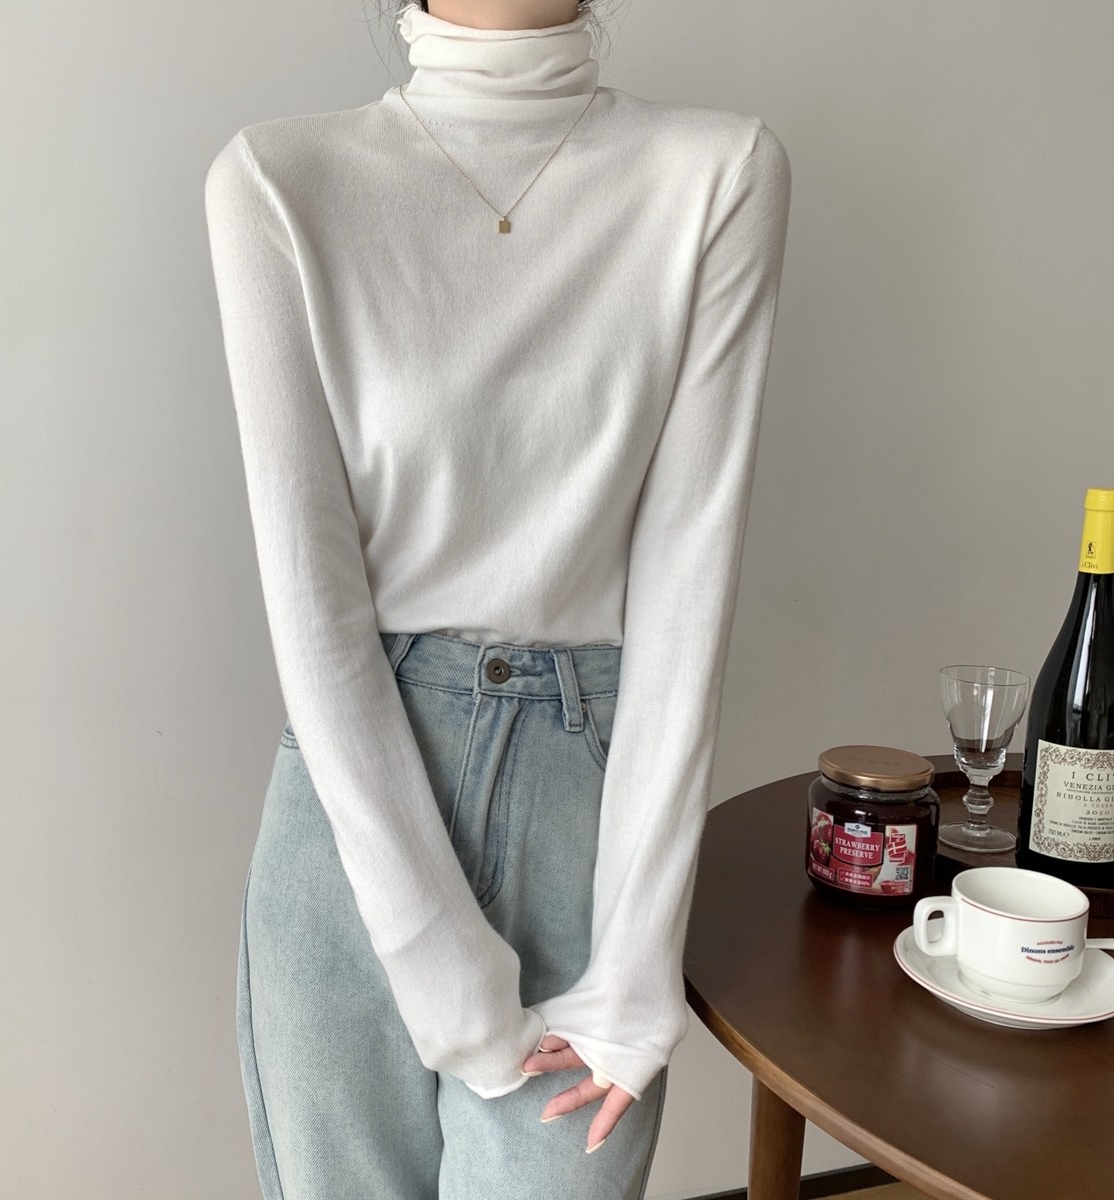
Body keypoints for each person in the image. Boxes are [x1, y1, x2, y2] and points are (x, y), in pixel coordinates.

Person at [203, 1, 791, 1196]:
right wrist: (431, 952)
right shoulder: (275, 181)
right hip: (354, 815)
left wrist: (637, 963)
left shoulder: (718, 174)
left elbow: (689, 584)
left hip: (586, 805)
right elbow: (313, 602)